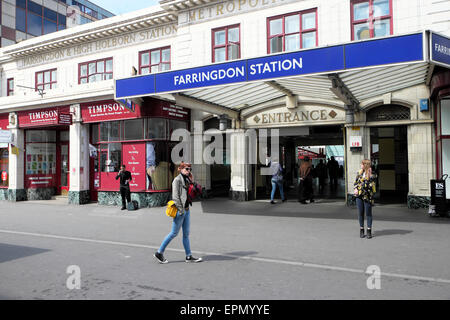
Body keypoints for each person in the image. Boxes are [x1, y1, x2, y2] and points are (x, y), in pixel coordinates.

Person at [154, 162, 202, 264]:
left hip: (187, 210)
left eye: (189, 169)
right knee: (174, 233)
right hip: (180, 211)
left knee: (186, 234)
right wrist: (181, 210)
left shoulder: (187, 179)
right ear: (180, 169)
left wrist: (192, 180)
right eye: (186, 169)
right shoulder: (176, 180)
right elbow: (175, 197)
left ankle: (188, 256)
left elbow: (193, 191)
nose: (188, 171)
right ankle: (159, 252)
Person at [353, 159, 377, 239]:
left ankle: (369, 230)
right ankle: (361, 230)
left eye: (362, 164)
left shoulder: (372, 174)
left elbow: (370, 184)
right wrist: (355, 188)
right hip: (359, 196)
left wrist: (369, 175)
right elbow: (355, 182)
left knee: (368, 213)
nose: (361, 165)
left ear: (365, 165)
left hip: (368, 196)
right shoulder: (359, 173)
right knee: (360, 213)